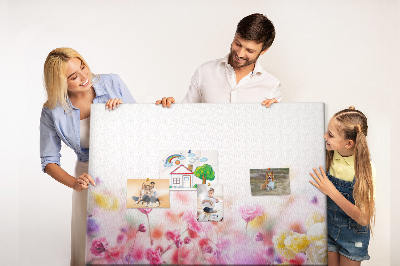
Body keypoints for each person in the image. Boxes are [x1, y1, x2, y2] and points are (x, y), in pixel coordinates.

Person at [40, 47, 136, 266]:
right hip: (87, 178)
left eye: (83, 66)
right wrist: (75, 183)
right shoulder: (52, 111)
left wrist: (122, 114)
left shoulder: (112, 83)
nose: (85, 77)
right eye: (73, 77)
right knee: (91, 243)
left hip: (124, 169)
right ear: (60, 84)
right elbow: (49, 161)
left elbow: (140, 128)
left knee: (130, 235)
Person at [156, 13, 282, 108]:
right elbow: (185, 116)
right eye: (237, 44)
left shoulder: (271, 86)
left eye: (249, 51)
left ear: (264, 50)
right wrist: (168, 109)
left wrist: (277, 116)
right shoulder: (204, 72)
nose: (240, 53)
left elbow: (276, 133)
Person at [309, 106, 376, 266]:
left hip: (353, 236)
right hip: (330, 229)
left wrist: (331, 191)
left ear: (348, 143)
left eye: (330, 135)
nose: (325, 136)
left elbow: (364, 218)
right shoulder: (329, 155)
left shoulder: (366, 170)